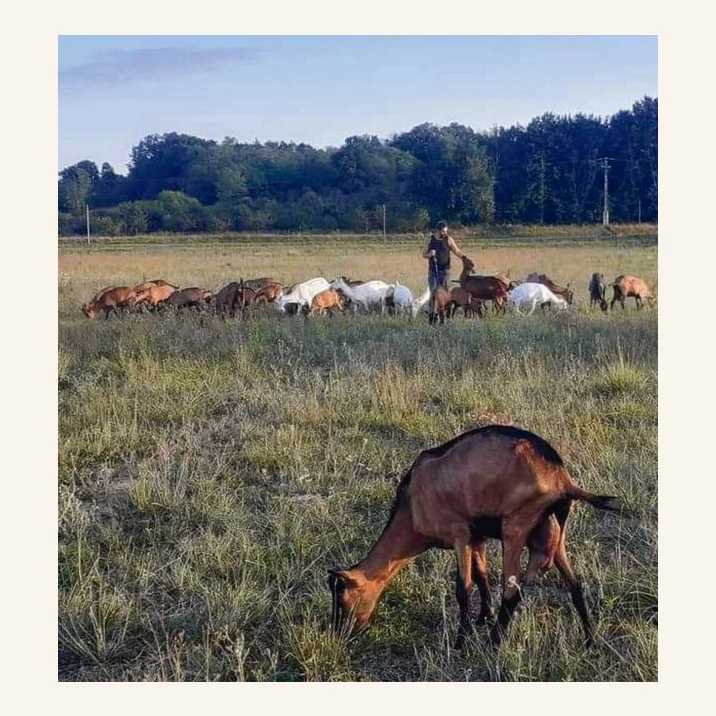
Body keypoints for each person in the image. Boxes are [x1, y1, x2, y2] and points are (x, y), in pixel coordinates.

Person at [421, 221, 466, 318]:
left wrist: (464, 258)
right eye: (443, 231)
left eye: (446, 231)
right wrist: (430, 255)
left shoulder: (449, 239)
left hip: (445, 271)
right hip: (433, 271)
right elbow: (423, 254)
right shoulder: (431, 240)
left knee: (445, 292)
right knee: (433, 292)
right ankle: (432, 313)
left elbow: (456, 251)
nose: (445, 233)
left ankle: (445, 312)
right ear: (438, 231)